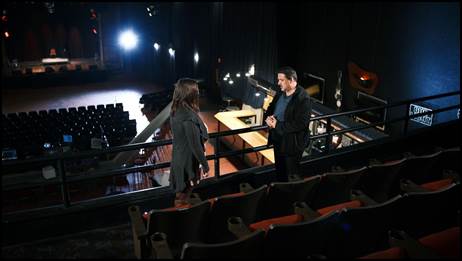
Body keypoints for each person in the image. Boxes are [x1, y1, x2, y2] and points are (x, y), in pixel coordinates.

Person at [264, 66, 311, 182]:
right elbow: (271, 108)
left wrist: (277, 125)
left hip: (292, 144)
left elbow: (301, 124)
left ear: (291, 80)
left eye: (281, 80)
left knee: (291, 175)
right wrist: (268, 118)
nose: (278, 83)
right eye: (278, 79)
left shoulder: (303, 98)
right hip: (277, 139)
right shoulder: (280, 93)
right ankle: (281, 194)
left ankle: (292, 198)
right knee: (280, 172)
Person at [170, 78, 209, 203]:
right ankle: (183, 217)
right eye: (196, 91)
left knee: (181, 193)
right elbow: (195, 146)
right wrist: (205, 165)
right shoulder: (187, 117)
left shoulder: (176, 110)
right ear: (191, 94)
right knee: (183, 195)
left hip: (179, 157)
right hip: (187, 162)